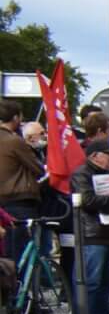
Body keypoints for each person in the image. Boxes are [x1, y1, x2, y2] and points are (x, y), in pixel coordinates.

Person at [71, 139, 109, 314]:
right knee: (90, 280)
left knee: (104, 280)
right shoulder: (81, 173)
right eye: (108, 156)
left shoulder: (107, 172)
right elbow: (87, 200)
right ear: (95, 155)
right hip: (92, 233)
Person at [0, 101, 44, 264]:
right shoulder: (14, 141)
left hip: (2, 205)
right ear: (15, 118)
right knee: (19, 251)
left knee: (5, 251)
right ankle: (18, 286)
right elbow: (37, 168)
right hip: (19, 202)